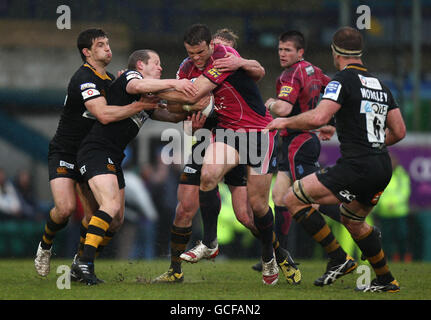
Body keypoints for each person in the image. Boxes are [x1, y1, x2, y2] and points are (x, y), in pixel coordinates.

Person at [265, 26, 406, 292]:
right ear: (359, 52)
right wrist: (371, 142)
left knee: (292, 198)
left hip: (357, 166)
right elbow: (399, 131)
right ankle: (387, 280)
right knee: (353, 220)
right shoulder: (380, 85)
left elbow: (318, 116)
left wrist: (285, 120)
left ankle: (338, 258)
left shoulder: (342, 80)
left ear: (335, 51)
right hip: (382, 166)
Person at [154, 24, 292, 285]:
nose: (195, 58)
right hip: (223, 133)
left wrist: (150, 89)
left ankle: (270, 255)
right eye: (190, 53)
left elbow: (196, 93)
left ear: (214, 47)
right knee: (204, 180)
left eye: (200, 52)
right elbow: (180, 105)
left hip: (258, 133)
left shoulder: (224, 58)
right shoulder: (187, 66)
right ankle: (208, 243)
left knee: (255, 208)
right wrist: (183, 103)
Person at [71, 49, 199, 285]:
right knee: (109, 205)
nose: (161, 68)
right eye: (157, 63)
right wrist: (180, 83)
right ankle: (84, 264)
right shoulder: (131, 77)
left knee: (117, 220)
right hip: (95, 151)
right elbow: (136, 88)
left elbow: (170, 116)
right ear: (141, 65)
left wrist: (192, 112)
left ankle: (80, 263)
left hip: (112, 157)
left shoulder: (147, 97)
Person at [34, 28, 150, 277]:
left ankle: (80, 262)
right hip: (66, 151)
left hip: (90, 153)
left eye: (108, 43)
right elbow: (104, 114)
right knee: (64, 209)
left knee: (102, 218)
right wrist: (137, 105)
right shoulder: (83, 78)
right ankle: (45, 246)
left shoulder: (110, 80)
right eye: (100, 45)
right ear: (87, 52)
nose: (107, 48)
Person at [254, 31, 355, 286]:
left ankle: (353, 221)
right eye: (280, 49)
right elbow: (333, 91)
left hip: (297, 143)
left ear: (300, 52)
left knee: (311, 199)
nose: (282, 54)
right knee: (279, 197)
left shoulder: (290, 74)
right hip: (299, 142)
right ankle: (280, 255)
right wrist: (329, 121)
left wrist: (270, 103)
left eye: (288, 50)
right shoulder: (314, 70)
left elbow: (286, 109)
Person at [373, 153, 411, 262]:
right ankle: (387, 259)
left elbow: (405, 192)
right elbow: (378, 191)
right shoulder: (381, 175)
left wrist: (393, 204)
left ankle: (403, 258)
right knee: (386, 238)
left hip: (400, 212)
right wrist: (385, 204)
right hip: (384, 213)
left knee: (402, 237)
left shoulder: (402, 175)